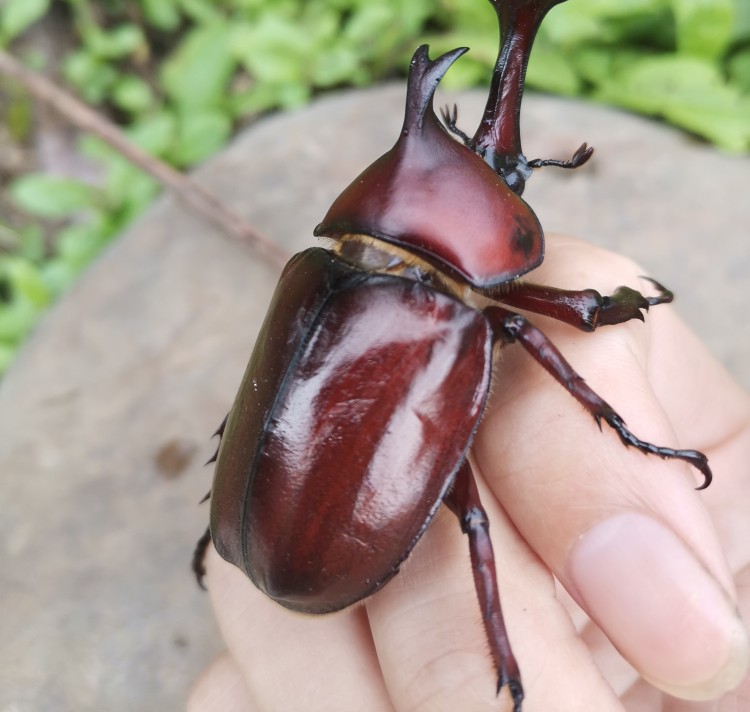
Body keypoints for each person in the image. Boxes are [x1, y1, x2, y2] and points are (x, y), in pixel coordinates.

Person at [187, 237, 750, 711]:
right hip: (308, 546)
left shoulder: (310, 271)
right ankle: (509, 676)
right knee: (473, 519)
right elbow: (587, 311)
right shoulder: (330, 274)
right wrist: (615, 322)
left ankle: (509, 679)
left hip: (267, 530)